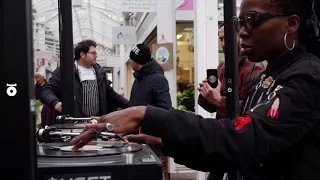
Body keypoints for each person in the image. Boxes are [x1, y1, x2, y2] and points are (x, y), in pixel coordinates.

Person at [71, 0, 320, 179]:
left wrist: (147, 115)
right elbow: (227, 150)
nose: (242, 31)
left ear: (291, 23)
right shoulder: (271, 75)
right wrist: (164, 143)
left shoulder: (306, 78)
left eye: (252, 20)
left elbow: (237, 138)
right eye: (240, 21)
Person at [40, 39, 128, 117]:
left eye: (95, 53)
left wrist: (131, 106)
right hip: (73, 124)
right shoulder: (65, 72)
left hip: (96, 122)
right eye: (93, 53)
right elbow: (47, 90)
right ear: (82, 55)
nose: (96, 55)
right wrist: (55, 103)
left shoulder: (99, 73)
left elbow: (111, 94)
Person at [198, 23, 265, 119]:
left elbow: (252, 107)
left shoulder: (254, 67)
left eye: (228, 38)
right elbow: (210, 108)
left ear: (241, 37)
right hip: (222, 129)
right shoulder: (222, 67)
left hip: (240, 132)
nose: (223, 44)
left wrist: (219, 100)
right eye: (221, 39)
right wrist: (207, 93)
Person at [127, 44, 172, 110]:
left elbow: (165, 109)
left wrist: (143, 115)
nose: (129, 61)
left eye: (132, 58)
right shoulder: (138, 78)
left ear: (138, 61)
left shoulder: (159, 80)